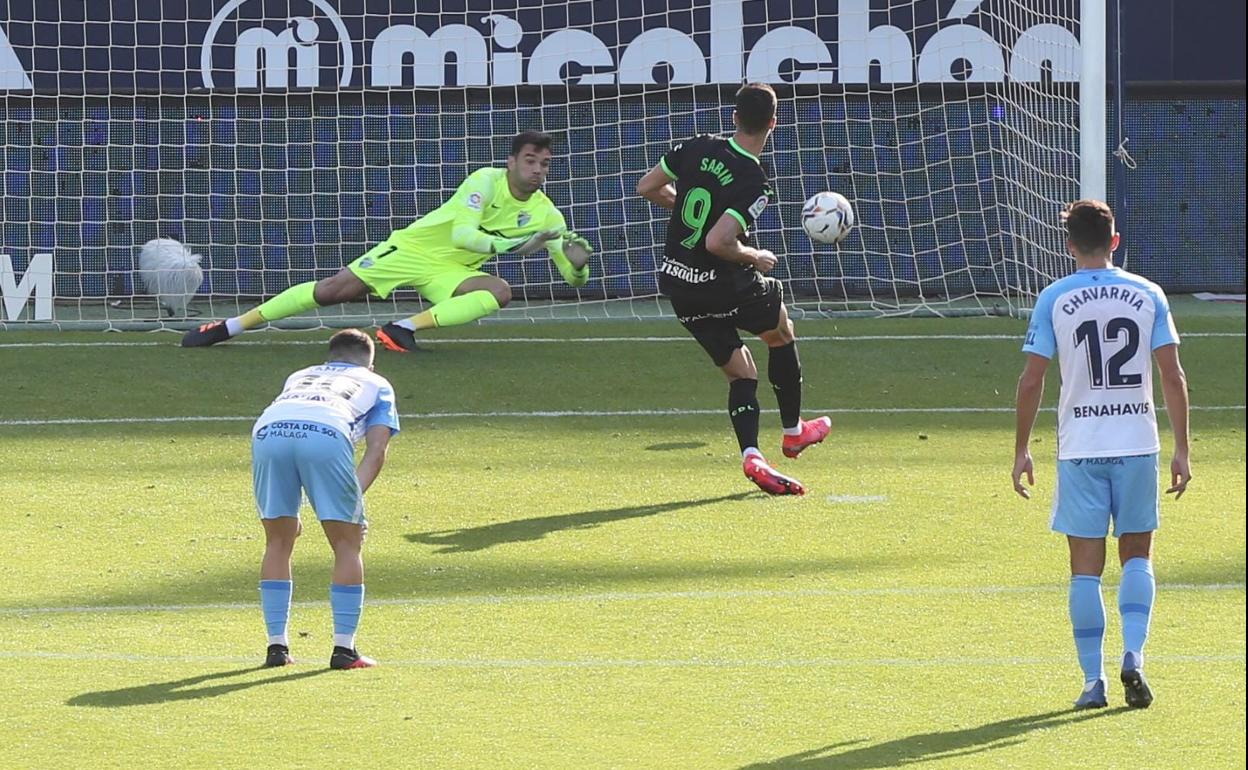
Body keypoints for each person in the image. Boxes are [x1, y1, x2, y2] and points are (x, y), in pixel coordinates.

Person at [1012, 199, 1191, 710]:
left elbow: (1032, 380)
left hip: (1081, 449)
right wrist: (1182, 448)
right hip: (1137, 444)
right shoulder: (1148, 295)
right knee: (1138, 555)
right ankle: (1134, 654)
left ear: (1069, 245)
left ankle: (1093, 683)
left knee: (1084, 569)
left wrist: (1023, 449)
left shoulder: (1054, 297)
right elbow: (1173, 377)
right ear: (1115, 240)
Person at [182, 131, 594, 350]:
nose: (538, 169)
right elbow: (462, 234)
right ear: (511, 162)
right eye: (530, 160)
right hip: (414, 249)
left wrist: (576, 265)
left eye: (545, 164)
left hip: (451, 272)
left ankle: (400, 329)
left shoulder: (548, 214)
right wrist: (510, 247)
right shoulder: (485, 180)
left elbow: (572, 279)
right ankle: (229, 327)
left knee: (499, 290)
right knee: (330, 291)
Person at [635, 83, 831, 496]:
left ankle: (752, 455)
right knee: (780, 330)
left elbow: (647, 187)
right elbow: (718, 243)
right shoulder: (754, 181)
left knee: (741, 372)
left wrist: (686, 202)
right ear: (773, 124)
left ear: (734, 117)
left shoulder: (695, 146)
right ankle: (794, 432)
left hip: (679, 283)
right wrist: (754, 255)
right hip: (722, 281)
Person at [252, 329, 400, 669]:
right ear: (370, 363)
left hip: (268, 430)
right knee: (347, 543)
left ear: (329, 357)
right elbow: (376, 451)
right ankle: (344, 650)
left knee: (278, 540)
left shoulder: (300, 375)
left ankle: (277, 648)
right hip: (327, 432)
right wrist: (350, 506)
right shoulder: (376, 384)